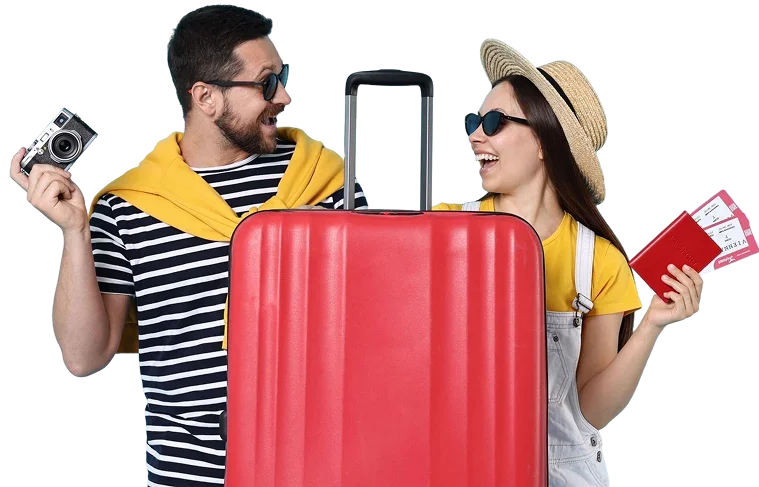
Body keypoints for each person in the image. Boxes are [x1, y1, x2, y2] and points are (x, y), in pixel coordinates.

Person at [9, 5, 368, 486]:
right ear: (206, 97)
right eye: (266, 83)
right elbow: (84, 357)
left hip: (320, 467)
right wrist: (74, 231)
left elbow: (378, 328)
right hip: (185, 475)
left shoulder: (329, 185)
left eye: (281, 79)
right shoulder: (127, 206)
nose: (283, 96)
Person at [433, 39, 704, 486]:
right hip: (456, 465)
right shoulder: (443, 229)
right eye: (476, 121)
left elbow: (591, 411)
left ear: (545, 140)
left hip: (559, 474)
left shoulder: (599, 261)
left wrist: (652, 326)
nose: (475, 135)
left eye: (494, 122)